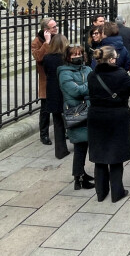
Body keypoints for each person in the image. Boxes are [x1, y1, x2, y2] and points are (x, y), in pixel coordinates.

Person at [88, 46, 130, 202]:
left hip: (96, 116)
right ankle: (117, 192)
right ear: (110, 59)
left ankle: (101, 192)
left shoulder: (92, 75)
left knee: (100, 155)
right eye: (115, 58)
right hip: (117, 116)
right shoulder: (121, 74)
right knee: (116, 155)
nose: (116, 60)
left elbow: (91, 93)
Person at [58, 45, 95, 191]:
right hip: (76, 113)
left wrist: (86, 89)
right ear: (68, 57)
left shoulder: (87, 69)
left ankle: (82, 172)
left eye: (79, 54)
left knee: (86, 145)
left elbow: (92, 84)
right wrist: (88, 86)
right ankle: (78, 178)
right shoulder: (64, 72)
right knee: (80, 146)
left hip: (90, 111)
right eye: (74, 55)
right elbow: (75, 91)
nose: (77, 57)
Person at [40, 33, 70, 159]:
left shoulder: (47, 58)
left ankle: (60, 150)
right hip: (65, 91)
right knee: (72, 118)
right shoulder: (65, 58)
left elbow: (46, 72)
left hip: (52, 92)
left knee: (57, 123)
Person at [31, 17, 58, 146]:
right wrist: (46, 43)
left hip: (59, 76)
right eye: (54, 27)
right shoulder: (37, 41)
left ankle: (65, 131)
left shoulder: (58, 37)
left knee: (62, 106)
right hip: (46, 79)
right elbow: (38, 58)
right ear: (46, 30)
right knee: (45, 109)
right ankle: (44, 135)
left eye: (56, 26)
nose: (56, 28)